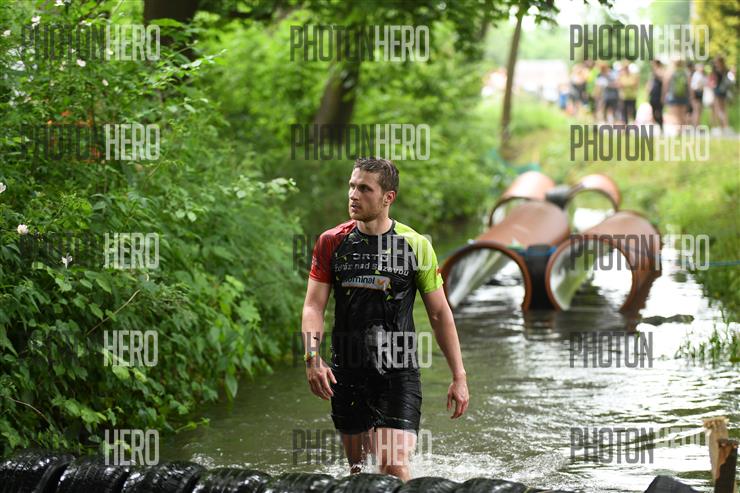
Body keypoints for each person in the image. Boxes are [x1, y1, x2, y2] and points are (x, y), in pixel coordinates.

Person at [301, 158, 469, 481]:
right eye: (352, 186)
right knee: (360, 471)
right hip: (347, 371)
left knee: (392, 465)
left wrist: (458, 375)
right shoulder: (331, 242)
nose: (353, 195)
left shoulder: (416, 245)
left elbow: (439, 314)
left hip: (398, 371)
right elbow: (313, 307)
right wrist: (312, 357)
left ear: (388, 197)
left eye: (365, 189)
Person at [663, 59, 690, 129]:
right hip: (683, 96)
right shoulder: (685, 72)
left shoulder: (670, 72)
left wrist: (664, 95)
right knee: (682, 115)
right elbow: (689, 85)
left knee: (674, 115)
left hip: (672, 96)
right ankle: (682, 130)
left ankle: (677, 130)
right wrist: (690, 96)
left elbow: (665, 85)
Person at [709, 56, 731, 133]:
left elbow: (713, 82)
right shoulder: (723, 70)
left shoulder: (720, 71)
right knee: (719, 109)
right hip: (720, 91)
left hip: (720, 92)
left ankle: (722, 126)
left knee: (720, 109)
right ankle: (719, 126)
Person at [648, 60, 664, 130]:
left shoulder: (661, 71)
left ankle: (661, 127)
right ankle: (657, 124)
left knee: (659, 111)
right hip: (653, 95)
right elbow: (650, 84)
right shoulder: (652, 73)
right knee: (653, 111)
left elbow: (663, 80)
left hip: (659, 95)